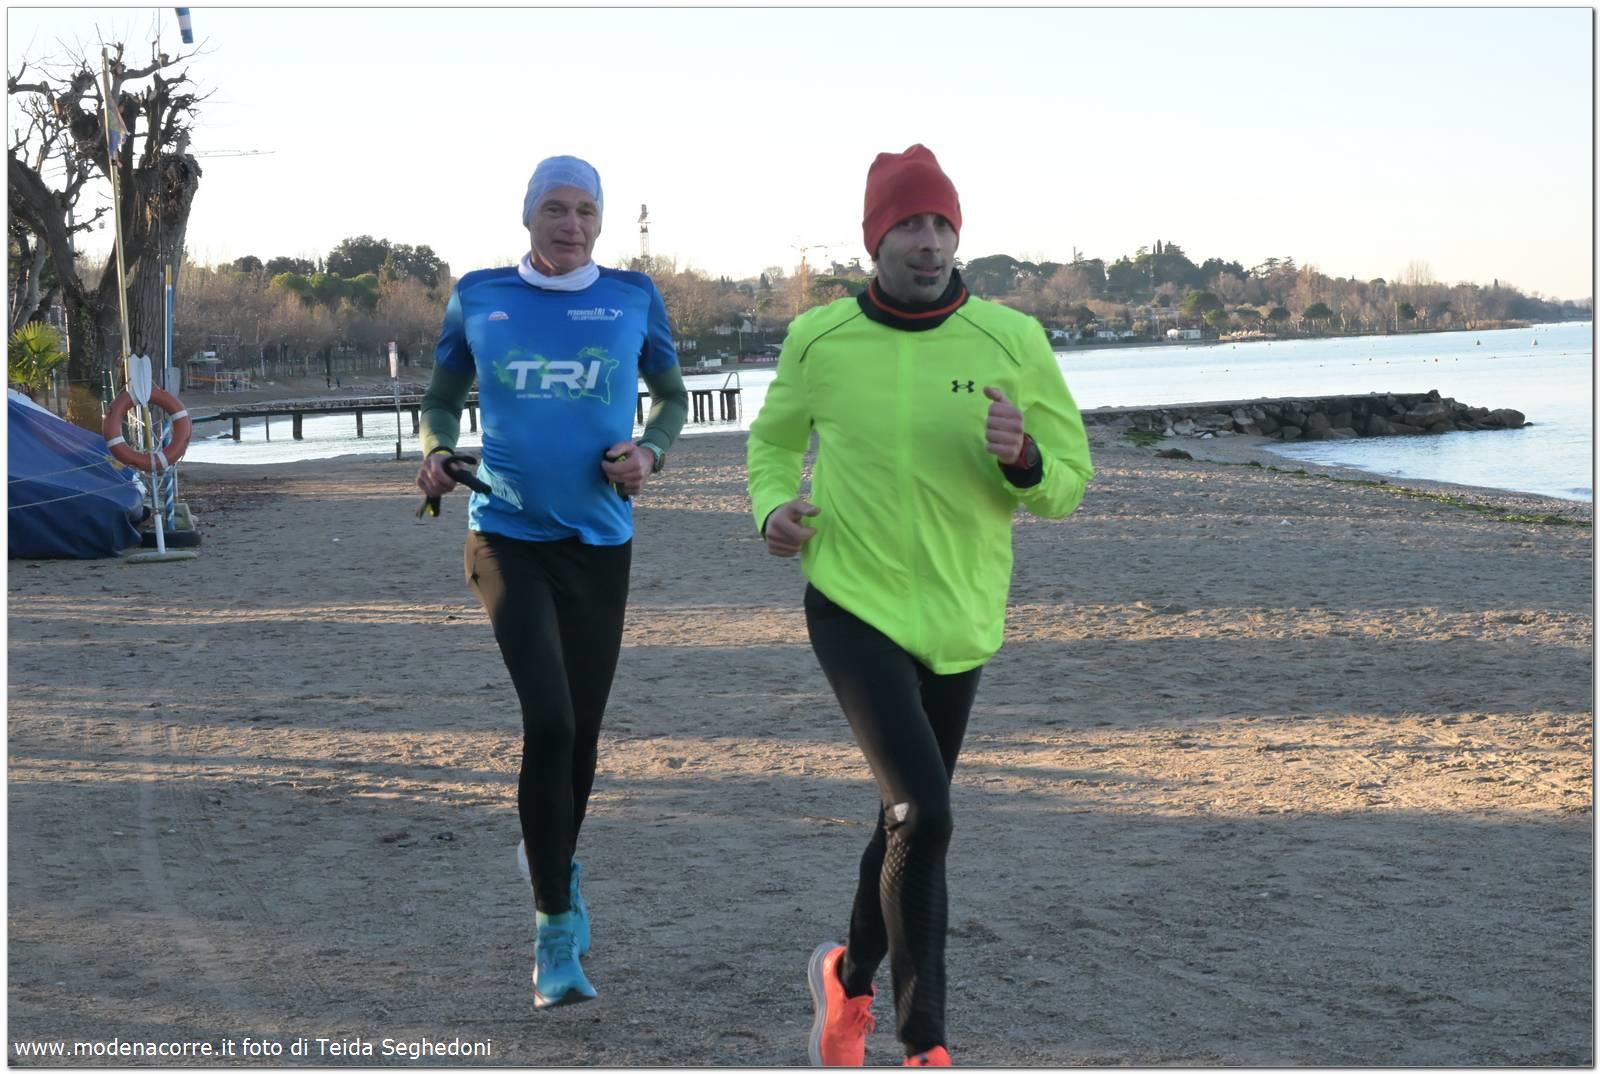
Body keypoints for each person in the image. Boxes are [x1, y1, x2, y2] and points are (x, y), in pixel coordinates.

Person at [746, 145, 1094, 1066]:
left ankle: (845, 978)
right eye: (909, 224)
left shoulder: (1011, 340)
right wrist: (772, 509)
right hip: (851, 600)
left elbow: (1068, 485)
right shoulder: (818, 339)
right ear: (876, 239)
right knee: (926, 815)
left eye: (942, 223)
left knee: (904, 817)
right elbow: (771, 444)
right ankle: (923, 1046)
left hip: (959, 614)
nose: (930, 242)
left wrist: (1025, 461)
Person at [416, 154, 687, 1009]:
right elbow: (440, 396)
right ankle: (554, 933)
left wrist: (649, 454)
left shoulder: (634, 297)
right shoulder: (479, 295)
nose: (572, 225)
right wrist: (436, 450)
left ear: (600, 219)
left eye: (586, 211)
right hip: (504, 535)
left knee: (585, 736)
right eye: (556, 210)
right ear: (528, 215)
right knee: (551, 719)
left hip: (601, 542)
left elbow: (671, 398)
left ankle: (555, 860)